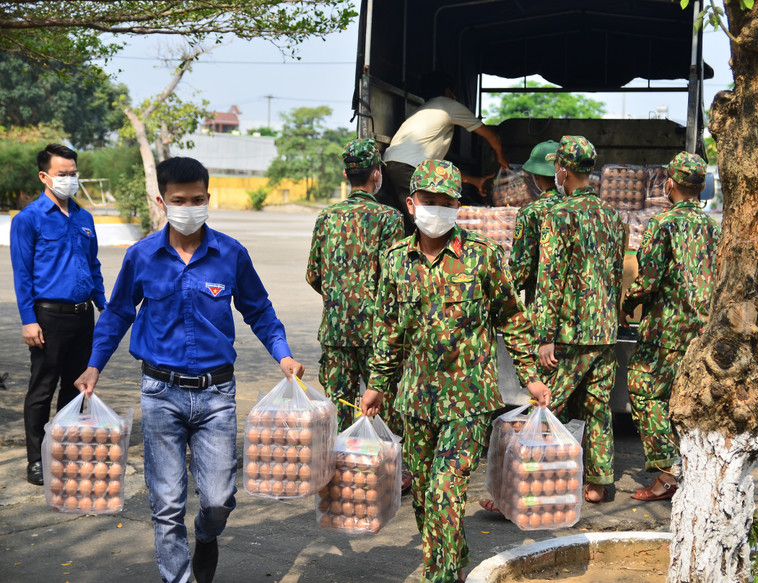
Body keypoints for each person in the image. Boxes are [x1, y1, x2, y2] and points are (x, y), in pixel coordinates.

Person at [73, 157, 305, 583]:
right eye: (179, 200)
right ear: (161, 201)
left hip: (217, 395)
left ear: (208, 198)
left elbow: (260, 310)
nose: (189, 207)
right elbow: (117, 315)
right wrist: (93, 366)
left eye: (197, 199)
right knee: (166, 502)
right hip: (160, 393)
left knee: (218, 499)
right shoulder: (141, 256)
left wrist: (283, 354)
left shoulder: (231, 254)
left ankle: (206, 534)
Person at [361, 159, 550, 583]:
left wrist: (530, 376)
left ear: (458, 207)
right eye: (429, 201)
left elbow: (513, 320)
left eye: (446, 202)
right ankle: (452, 556)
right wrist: (377, 384)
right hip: (415, 399)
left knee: (446, 490)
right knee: (427, 496)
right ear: (411, 204)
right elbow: (388, 329)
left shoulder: (483, 258)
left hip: (468, 399)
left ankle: (441, 575)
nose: (437, 210)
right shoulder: (394, 261)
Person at [306, 138, 411, 491]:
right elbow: (397, 278)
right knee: (385, 401)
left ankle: (339, 471)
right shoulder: (390, 219)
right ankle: (390, 470)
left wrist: (339, 300)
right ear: (377, 175)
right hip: (377, 334)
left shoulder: (327, 218)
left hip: (336, 332)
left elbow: (313, 275)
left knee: (339, 402)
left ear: (347, 174)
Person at [533, 135, 628, 504]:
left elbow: (550, 277)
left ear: (562, 170)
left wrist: (544, 335)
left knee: (547, 404)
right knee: (597, 407)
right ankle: (599, 482)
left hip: (571, 332)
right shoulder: (613, 216)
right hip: (605, 331)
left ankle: (531, 478)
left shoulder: (558, 215)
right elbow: (617, 271)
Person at [621, 151, 719, 502]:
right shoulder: (713, 227)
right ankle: (696, 471)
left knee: (645, 390)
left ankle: (667, 475)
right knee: (690, 400)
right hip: (705, 332)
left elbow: (647, 279)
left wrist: (627, 304)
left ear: (671, 184)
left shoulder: (663, 224)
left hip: (667, 331)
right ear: (702, 187)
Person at [10, 143, 106, 486]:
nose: (69, 180)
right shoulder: (28, 219)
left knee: (76, 388)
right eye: (62, 174)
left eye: (73, 174)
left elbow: (93, 265)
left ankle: (63, 449)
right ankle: (36, 459)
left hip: (83, 317)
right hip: (47, 318)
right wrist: (28, 319)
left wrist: (103, 304)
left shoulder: (84, 217)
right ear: (44, 176)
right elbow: (22, 274)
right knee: (42, 389)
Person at [382, 71, 509, 233]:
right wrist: (500, 157)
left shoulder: (423, 112)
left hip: (389, 164)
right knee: (428, 225)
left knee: (405, 222)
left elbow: (439, 174)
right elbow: (490, 134)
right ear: (449, 92)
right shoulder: (449, 106)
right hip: (409, 169)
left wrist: (475, 181)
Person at [508, 140, 563, 307]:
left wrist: (506, 297)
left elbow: (521, 267)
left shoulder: (530, 212)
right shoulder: (578, 209)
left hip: (543, 304)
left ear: (535, 176)